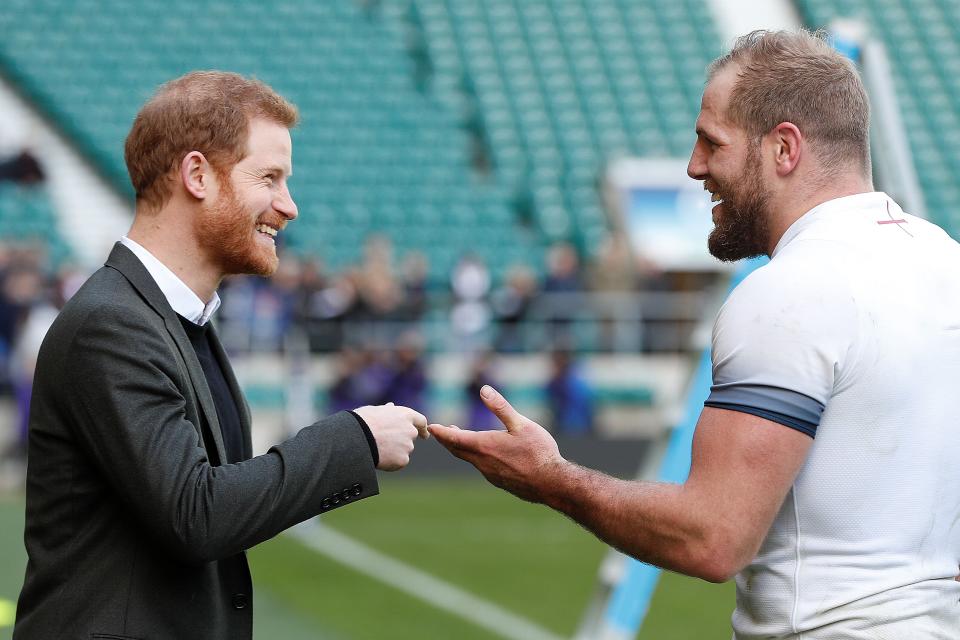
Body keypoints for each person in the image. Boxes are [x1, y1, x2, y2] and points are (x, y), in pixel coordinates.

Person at [430, 29, 960, 639]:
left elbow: (713, 537)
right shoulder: (942, 259)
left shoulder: (790, 291)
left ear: (784, 148)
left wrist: (551, 478)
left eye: (713, 142)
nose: (694, 166)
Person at [14, 71, 428, 640]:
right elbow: (196, 515)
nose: (290, 206)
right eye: (270, 177)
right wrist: (354, 439)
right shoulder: (111, 326)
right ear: (197, 175)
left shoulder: (179, 319)